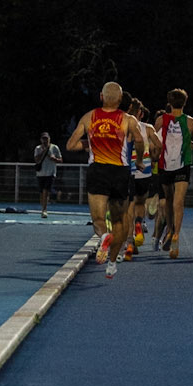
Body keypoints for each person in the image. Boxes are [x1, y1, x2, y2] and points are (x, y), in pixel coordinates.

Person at [67, 82, 145, 277]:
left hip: (98, 170)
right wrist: (141, 160)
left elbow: (70, 145)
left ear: (101, 97)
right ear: (120, 100)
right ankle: (112, 262)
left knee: (99, 219)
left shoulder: (89, 117)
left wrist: (91, 143)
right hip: (120, 172)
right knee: (120, 219)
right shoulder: (128, 119)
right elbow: (139, 140)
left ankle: (103, 236)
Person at [156, 90, 193, 260]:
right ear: (185, 102)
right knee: (178, 201)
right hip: (183, 165)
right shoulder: (190, 122)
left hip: (165, 165)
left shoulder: (161, 120)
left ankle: (170, 230)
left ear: (169, 102)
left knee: (169, 200)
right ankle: (175, 234)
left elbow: (153, 142)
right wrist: (186, 142)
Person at [127, 99, 157, 253]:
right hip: (144, 172)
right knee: (140, 203)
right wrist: (154, 157)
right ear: (140, 113)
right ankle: (139, 223)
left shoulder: (123, 125)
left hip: (128, 171)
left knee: (129, 207)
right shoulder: (148, 128)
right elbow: (158, 145)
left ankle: (131, 241)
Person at [33, 132, 63, 218]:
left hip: (50, 172)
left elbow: (60, 160)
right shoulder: (38, 148)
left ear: (49, 139)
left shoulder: (54, 147)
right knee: (42, 192)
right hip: (40, 173)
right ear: (41, 139)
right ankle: (43, 207)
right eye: (43, 139)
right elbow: (36, 159)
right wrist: (43, 151)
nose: (45, 140)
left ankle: (44, 209)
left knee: (46, 190)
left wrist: (54, 159)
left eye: (46, 138)